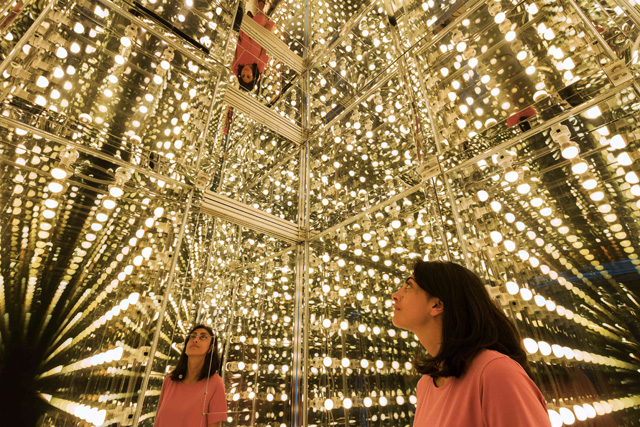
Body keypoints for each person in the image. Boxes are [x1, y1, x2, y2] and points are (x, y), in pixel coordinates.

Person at [391, 260, 551, 426]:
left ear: (437, 304)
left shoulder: (494, 371)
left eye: (408, 286)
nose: (395, 295)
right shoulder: (425, 385)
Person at [155, 324, 227, 427]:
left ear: (211, 348)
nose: (195, 339)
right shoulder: (169, 380)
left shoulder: (215, 384)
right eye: (192, 336)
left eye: (203, 337)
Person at [232, 1, 275, 92]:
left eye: (243, 75)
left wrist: (238, 38)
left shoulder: (239, 65)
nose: (245, 72)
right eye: (248, 76)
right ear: (254, 76)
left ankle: (259, 8)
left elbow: (235, 53)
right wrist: (266, 32)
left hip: (244, 35)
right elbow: (264, 48)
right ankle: (263, 4)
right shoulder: (259, 66)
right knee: (260, 14)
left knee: (248, 15)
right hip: (257, 36)